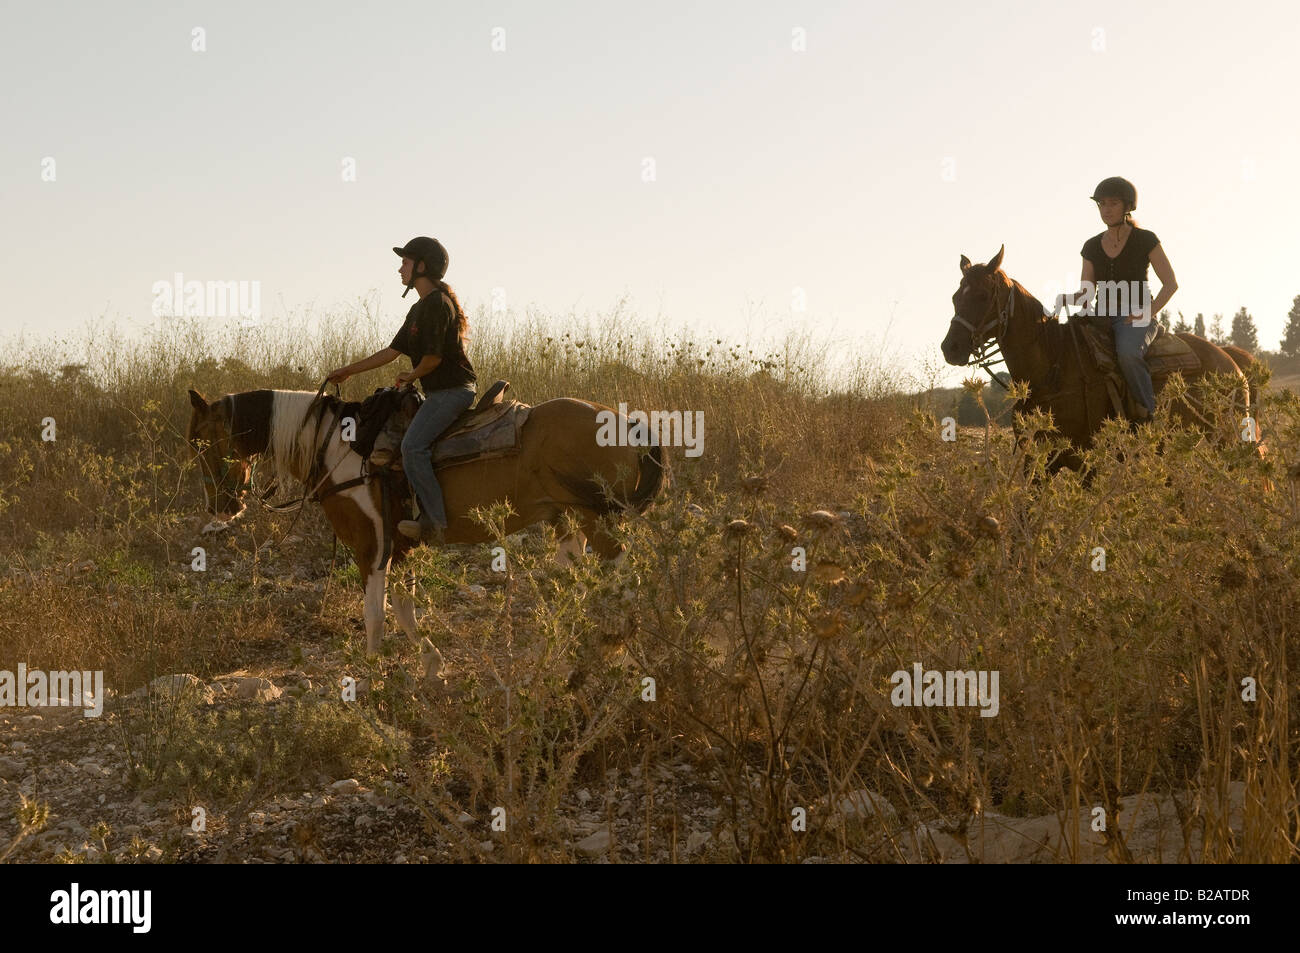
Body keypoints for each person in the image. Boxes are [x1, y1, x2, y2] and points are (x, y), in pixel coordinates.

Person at [327, 236, 477, 543]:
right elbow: (392, 351)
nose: (400, 269)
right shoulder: (420, 308)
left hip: (453, 391)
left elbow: (433, 359)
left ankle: (435, 524)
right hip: (439, 392)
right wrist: (348, 371)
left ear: (421, 266)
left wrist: (411, 375)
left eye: (405, 262)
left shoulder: (438, 304)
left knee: (412, 448)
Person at [1056, 177, 1179, 422]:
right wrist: (1064, 299)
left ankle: (1150, 416)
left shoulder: (1146, 240)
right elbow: (1087, 292)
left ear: (1127, 206)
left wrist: (1148, 312)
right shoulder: (1091, 246)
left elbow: (1170, 284)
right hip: (1100, 317)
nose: (1106, 209)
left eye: (1112, 203)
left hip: (1135, 316)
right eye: (1101, 204)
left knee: (1127, 354)